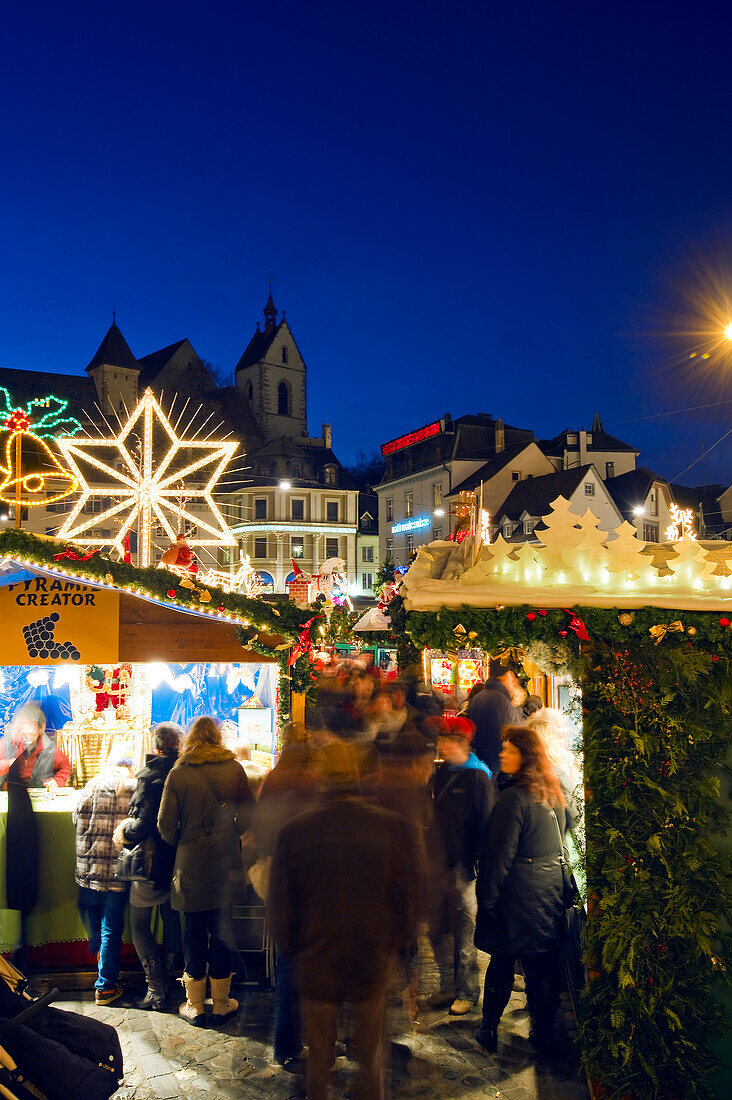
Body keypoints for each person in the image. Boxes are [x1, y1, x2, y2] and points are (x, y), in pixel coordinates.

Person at [268, 740, 421, 1100]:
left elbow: (281, 904)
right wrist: (398, 943)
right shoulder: (389, 825)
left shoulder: (295, 830)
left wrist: (293, 947)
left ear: (319, 776)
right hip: (371, 953)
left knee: (320, 1055)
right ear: (355, 775)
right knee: (370, 1055)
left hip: (319, 954)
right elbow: (408, 893)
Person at [474, 725, 566, 1057]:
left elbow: (498, 856)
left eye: (509, 750)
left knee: (502, 960)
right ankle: (544, 1035)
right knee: (543, 967)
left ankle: (488, 1028)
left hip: (517, 895)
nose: (501, 753)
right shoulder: (552, 792)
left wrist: (487, 900)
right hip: (548, 892)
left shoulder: (514, 798)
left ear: (524, 756)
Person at [158, 716, 254, 1026]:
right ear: (217, 738)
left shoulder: (179, 773)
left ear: (190, 740)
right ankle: (222, 1003)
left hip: (191, 863)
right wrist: (230, 832)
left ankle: (195, 1006)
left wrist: (186, 840)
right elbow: (250, 816)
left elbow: (164, 826)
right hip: (226, 860)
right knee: (223, 931)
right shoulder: (235, 769)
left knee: (194, 932)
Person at [113, 723, 184, 1011]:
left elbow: (144, 823)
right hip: (177, 859)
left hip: (152, 861)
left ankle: (156, 987)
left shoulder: (151, 775)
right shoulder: (184, 772)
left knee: (140, 923)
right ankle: (169, 973)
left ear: (155, 747)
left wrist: (125, 831)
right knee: (171, 919)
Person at [428, 716, 495, 1016]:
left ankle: (467, 991)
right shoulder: (441, 773)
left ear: (459, 743)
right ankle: (447, 986)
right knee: (438, 930)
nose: (439, 745)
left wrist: (477, 865)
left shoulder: (478, 777)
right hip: (439, 864)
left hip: (465, 867)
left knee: (464, 933)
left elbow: (485, 825)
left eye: (444, 740)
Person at [72, 746, 137, 1006]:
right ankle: (105, 987)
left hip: (89, 868)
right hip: (117, 871)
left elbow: (75, 818)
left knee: (87, 908)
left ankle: (96, 946)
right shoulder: (133, 788)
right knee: (112, 926)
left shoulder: (92, 785)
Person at [467, 657, 525, 774]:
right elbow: (507, 738)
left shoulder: (479, 697)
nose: (515, 681)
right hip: (498, 774)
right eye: (512, 676)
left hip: (483, 771)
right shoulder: (500, 701)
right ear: (504, 675)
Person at [0, 703, 71, 789]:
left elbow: (65, 766)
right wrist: (8, 764)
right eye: (23, 725)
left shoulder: (49, 749)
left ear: (41, 728)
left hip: (37, 797)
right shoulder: (6, 744)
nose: (26, 731)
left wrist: (57, 781)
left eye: (32, 726)